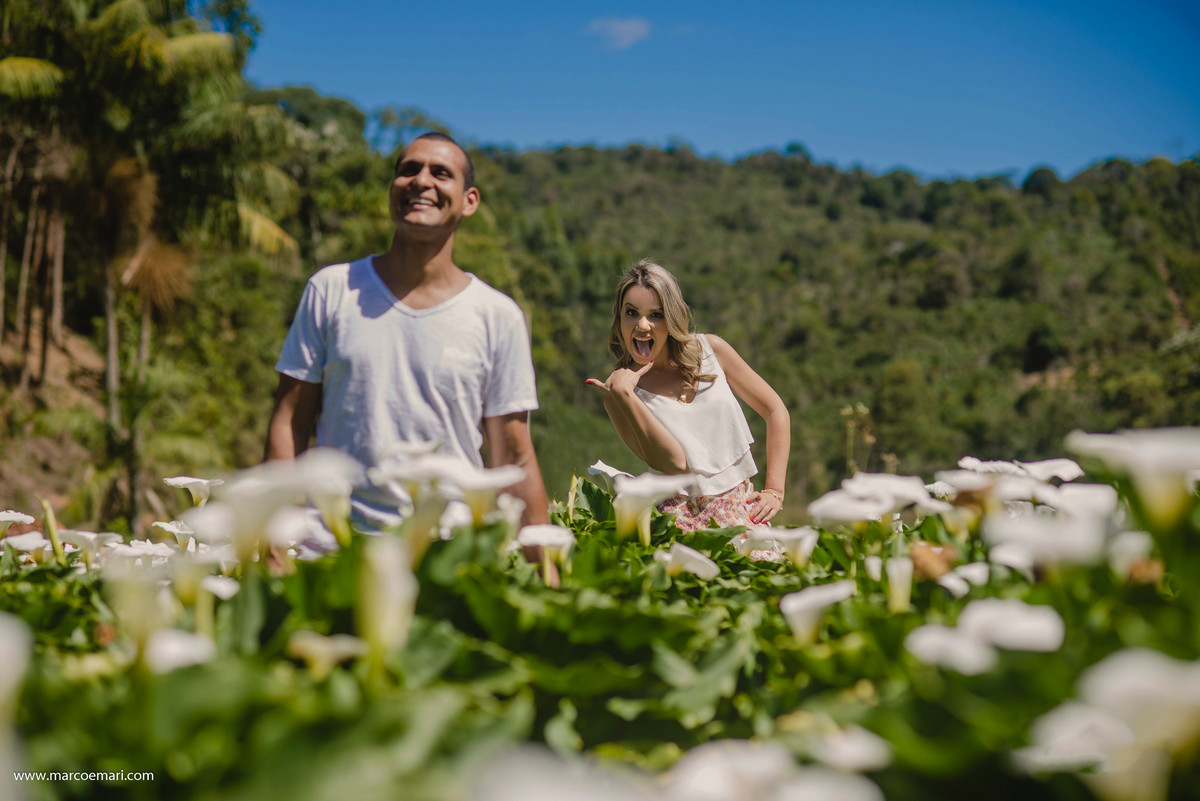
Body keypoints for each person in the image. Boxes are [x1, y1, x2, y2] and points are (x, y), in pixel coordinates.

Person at [265, 132, 550, 531]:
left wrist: (544, 566)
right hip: (334, 549)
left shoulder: (498, 315)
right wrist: (277, 539)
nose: (421, 181)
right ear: (392, 189)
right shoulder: (331, 289)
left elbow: (514, 457)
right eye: (408, 170)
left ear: (470, 201)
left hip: (450, 553)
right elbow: (289, 422)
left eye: (441, 173)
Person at [586, 260, 790, 532]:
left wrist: (774, 490)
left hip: (741, 511)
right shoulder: (617, 395)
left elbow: (775, 410)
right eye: (631, 313)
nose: (642, 325)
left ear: (671, 317)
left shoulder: (712, 350)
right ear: (619, 319)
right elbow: (673, 465)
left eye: (656, 315)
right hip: (676, 523)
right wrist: (626, 396)